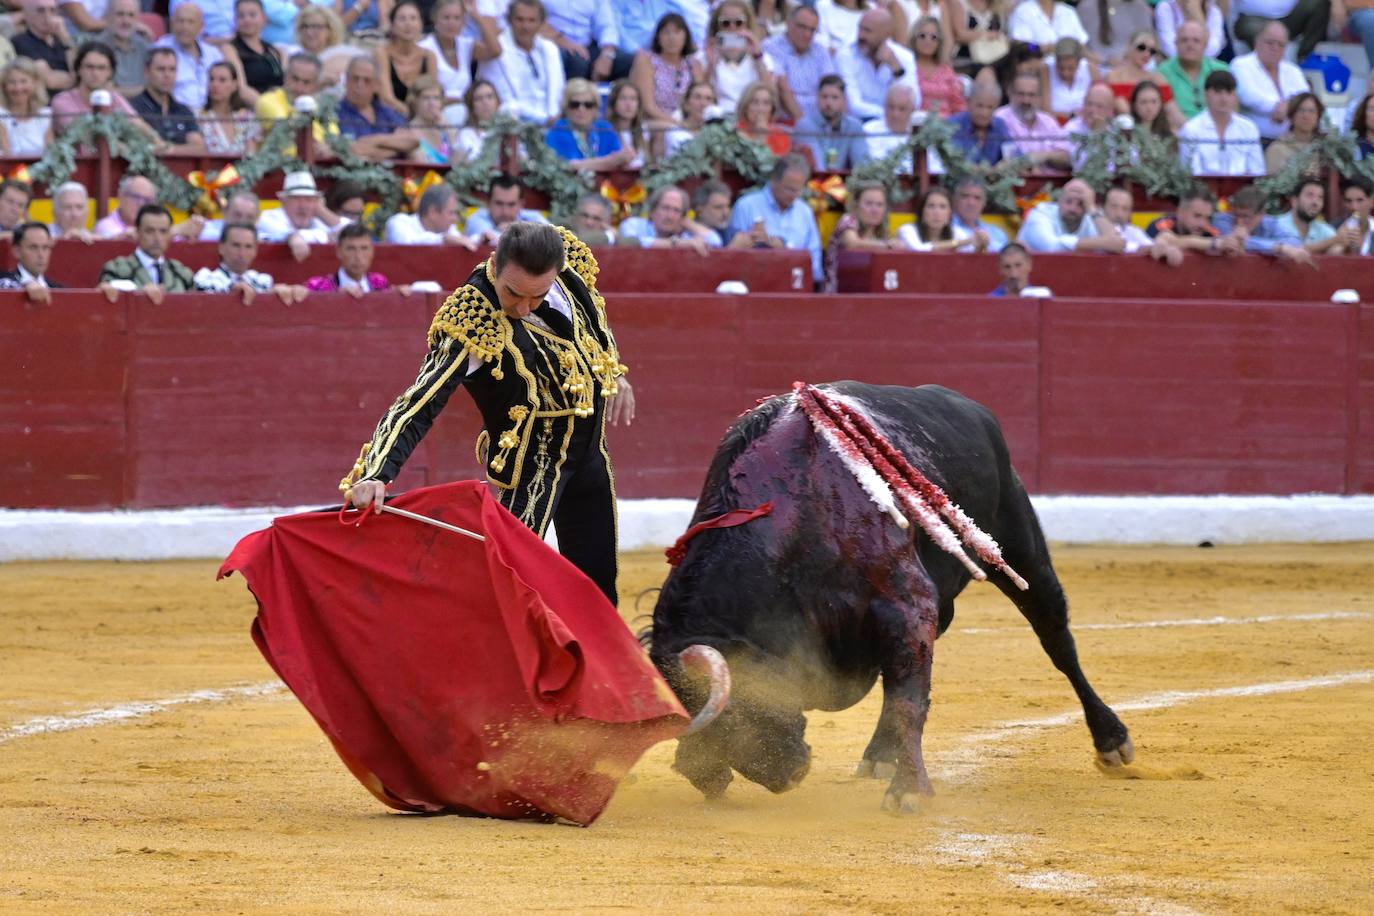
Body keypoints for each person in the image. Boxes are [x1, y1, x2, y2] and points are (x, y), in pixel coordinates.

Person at [340, 222, 635, 604]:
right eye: (513, 293)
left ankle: (600, 664)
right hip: (529, 467)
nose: (524, 308)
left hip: (591, 454)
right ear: (495, 265)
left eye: (537, 296)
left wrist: (610, 371)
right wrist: (378, 472)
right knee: (508, 582)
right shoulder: (472, 318)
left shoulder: (569, 266)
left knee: (597, 583)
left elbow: (592, 320)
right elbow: (418, 402)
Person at [727, 152, 823, 283]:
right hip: (755, 284)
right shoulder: (747, 206)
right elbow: (734, 256)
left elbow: (814, 258)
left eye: (798, 190)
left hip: (796, 287)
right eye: (789, 189)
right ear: (774, 181)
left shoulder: (805, 211)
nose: (793, 195)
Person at [477, 0, 564, 125]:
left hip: (552, 125)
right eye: (520, 20)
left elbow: (558, 92)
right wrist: (543, 119)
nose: (525, 26)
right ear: (509, 21)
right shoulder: (496, 51)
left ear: (541, 23)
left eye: (531, 20)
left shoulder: (550, 49)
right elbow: (502, 99)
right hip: (511, 125)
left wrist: (553, 119)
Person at [420, 0, 500, 127]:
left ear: (463, 22)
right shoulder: (425, 47)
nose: (451, 23)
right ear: (435, 20)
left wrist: (477, 17)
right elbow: (429, 91)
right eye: (446, 18)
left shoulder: (465, 44)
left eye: (457, 18)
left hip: (468, 110)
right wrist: (455, 101)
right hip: (439, 112)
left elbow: (495, 50)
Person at [97, 204, 196, 304]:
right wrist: (140, 292)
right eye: (149, 231)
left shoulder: (182, 273)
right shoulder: (116, 269)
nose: (157, 238)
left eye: (163, 231)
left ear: (170, 234)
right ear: (137, 232)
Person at [50, 40, 150, 136]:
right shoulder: (62, 101)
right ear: (79, 70)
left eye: (101, 68)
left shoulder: (113, 98)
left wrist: (161, 145)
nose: (95, 73)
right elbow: (83, 136)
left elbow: (139, 125)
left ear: (110, 72)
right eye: (90, 67)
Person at [835, 7, 919, 122]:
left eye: (867, 31)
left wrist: (896, 70)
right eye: (860, 29)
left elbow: (915, 102)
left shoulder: (905, 57)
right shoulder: (846, 56)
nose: (861, 35)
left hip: (895, 126)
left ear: (886, 34)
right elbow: (853, 105)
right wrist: (893, 114)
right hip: (859, 126)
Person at [194, 221, 308, 305]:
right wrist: (234, 291)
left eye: (248, 246)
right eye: (236, 245)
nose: (242, 253)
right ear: (221, 248)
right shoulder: (205, 277)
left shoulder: (262, 280)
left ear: (255, 251)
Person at [152, 3, 238, 112]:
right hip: (178, 115)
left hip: (211, 114)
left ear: (201, 26)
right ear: (172, 24)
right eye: (180, 21)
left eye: (190, 22)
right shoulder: (160, 49)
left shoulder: (213, 53)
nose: (185, 27)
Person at [1232, 21, 1309, 142]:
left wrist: (1286, 108)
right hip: (1255, 140)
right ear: (1257, 42)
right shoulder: (1241, 64)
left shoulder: (1293, 70)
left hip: (1291, 141)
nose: (1275, 48)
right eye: (1270, 43)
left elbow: (1304, 98)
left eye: (1281, 45)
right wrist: (1278, 107)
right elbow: (1247, 95)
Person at [1178, 70, 1264, 176]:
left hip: (1242, 190)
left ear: (1235, 96)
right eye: (1217, 92)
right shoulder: (1191, 129)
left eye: (1229, 93)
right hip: (1202, 191)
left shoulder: (1249, 128)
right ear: (1206, 94)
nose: (1223, 99)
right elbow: (1190, 173)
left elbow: (1257, 171)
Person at [631, 12, 705, 132]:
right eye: (666, 32)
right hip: (654, 121)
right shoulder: (646, 62)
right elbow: (648, 107)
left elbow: (701, 98)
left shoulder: (693, 64)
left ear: (685, 36)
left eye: (677, 32)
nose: (672, 38)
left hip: (686, 121)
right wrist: (678, 124)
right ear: (658, 37)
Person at [336, 55, 419, 161]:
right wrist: (395, 148)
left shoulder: (386, 112)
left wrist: (375, 140)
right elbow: (353, 150)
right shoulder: (334, 112)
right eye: (355, 79)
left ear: (376, 85)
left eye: (367, 80)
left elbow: (411, 141)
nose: (359, 85)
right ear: (346, 80)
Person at [823, 180, 901, 291]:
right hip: (837, 296)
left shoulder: (882, 233)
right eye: (869, 204)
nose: (874, 210)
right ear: (856, 205)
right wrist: (888, 245)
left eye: (879, 205)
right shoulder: (848, 220)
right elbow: (853, 244)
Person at [762, 4, 835, 122]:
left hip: (820, 119)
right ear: (788, 23)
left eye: (812, 30)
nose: (807, 34)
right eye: (802, 27)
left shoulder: (820, 50)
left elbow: (831, 86)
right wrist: (803, 124)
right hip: (787, 119)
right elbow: (782, 89)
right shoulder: (772, 46)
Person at [257, 52, 338, 155]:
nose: (299, 88)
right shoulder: (267, 100)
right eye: (295, 79)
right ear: (285, 76)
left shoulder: (321, 106)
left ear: (316, 85)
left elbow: (334, 140)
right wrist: (322, 147)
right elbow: (289, 132)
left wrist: (329, 148)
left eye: (306, 82)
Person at [702, 1, 775, 114]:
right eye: (725, 23)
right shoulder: (702, 57)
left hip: (752, 117)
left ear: (747, 24)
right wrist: (711, 66)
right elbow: (698, 97)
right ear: (717, 25)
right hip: (718, 117)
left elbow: (771, 95)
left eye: (739, 22)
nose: (732, 27)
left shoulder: (763, 57)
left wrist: (757, 58)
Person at [133, 47, 208, 155]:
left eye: (172, 69)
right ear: (147, 71)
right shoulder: (133, 108)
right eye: (161, 69)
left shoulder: (183, 110)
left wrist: (169, 149)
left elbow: (199, 147)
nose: (167, 75)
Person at [546, 78, 634, 171]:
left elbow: (619, 159)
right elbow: (565, 166)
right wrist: (608, 162)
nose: (581, 109)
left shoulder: (604, 128)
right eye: (575, 105)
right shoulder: (559, 129)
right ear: (566, 108)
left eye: (588, 105)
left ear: (596, 108)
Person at [1211, 183, 1313, 262]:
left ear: (1261, 214)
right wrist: (1279, 248)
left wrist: (1252, 242)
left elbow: (1295, 242)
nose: (1239, 221)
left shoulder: (1270, 223)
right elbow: (1233, 243)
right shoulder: (1222, 220)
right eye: (1236, 215)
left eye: (1245, 216)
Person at [257, 171, 346, 261]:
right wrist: (326, 236)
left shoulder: (319, 220)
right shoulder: (269, 217)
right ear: (283, 201)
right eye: (296, 199)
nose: (303, 206)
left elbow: (352, 231)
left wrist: (322, 212)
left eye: (309, 199)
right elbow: (281, 233)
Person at [1018, 179, 1125, 252]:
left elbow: (1118, 242)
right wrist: (1102, 243)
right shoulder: (1040, 214)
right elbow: (1051, 247)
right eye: (1068, 202)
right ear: (1059, 201)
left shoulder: (1091, 216)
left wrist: (1092, 209)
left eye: (1080, 204)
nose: (1073, 209)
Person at [305, 223, 411, 295]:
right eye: (351, 249)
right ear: (339, 251)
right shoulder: (317, 286)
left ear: (372, 251)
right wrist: (336, 295)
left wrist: (398, 295)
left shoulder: (379, 283)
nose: (358, 256)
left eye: (364, 248)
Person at [996, 71, 1071, 170]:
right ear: (1010, 93)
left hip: (1050, 181)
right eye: (1021, 94)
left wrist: (1044, 156)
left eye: (1031, 95)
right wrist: (1028, 162)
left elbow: (1067, 158)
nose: (1026, 100)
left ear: (1039, 97)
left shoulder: (1048, 121)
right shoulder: (999, 118)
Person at [544, 0, 633, 83]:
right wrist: (563, 41)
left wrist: (607, 54)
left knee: (629, 62)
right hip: (554, 43)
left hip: (588, 44)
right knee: (578, 61)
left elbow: (607, 25)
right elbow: (536, 20)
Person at [375, 1, 437, 115]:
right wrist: (409, 114)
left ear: (421, 24)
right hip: (389, 114)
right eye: (402, 19)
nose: (408, 24)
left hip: (422, 117)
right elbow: (385, 97)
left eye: (413, 18)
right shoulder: (382, 53)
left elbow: (433, 93)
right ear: (392, 25)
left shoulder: (429, 56)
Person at [1157, 22, 1228, 122]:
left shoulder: (1221, 70)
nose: (1190, 45)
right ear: (1176, 44)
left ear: (1205, 45)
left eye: (1196, 41)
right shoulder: (1161, 73)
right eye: (1184, 40)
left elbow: (1231, 107)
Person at [619, 184, 719, 254]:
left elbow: (715, 241)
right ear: (653, 211)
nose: (670, 216)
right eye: (665, 208)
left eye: (676, 210)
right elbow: (632, 241)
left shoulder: (685, 236)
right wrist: (676, 243)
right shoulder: (635, 225)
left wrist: (688, 223)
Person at [795, 74, 867, 170]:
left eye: (835, 97)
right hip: (812, 181)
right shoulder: (804, 126)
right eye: (824, 97)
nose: (828, 103)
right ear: (817, 99)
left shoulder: (854, 126)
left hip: (843, 182)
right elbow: (817, 167)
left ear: (844, 100)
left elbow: (862, 164)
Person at [292, 5, 359, 96]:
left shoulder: (343, 54)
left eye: (316, 27)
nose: (309, 32)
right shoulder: (294, 54)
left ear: (330, 30)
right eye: (305, 26)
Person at [464, 174, 551, 244]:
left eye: (511, 204)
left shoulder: (533, 217)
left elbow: (555, 238)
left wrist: (514, 231)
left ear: (521, 205)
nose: (505, 211)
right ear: (488, 203)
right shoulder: (477, 219)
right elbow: (492, 241)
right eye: (499, 203)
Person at [199, 59, 262, 155]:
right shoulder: (199, 118)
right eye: (211, 79)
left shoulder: (248, 118)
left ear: (234, 85)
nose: (215, 85)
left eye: (222, 80)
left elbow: (252, 154)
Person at [385, 183, 478, 247]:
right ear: (433, 212)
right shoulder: (399, 222)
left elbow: (466, 242)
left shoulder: (449, 229)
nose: (455, 219)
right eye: (451, 213)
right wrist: (442, 239)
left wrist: (480, 239)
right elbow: (407, 243)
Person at [1233, 0, 1330, 61]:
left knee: (1319, 3)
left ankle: (1302, 57)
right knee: (1264, 36)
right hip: (1252, 18)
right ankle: (1271, 71)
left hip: (1289, 18)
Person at [13, 0, 74, 93]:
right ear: (27, 16)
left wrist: (66, 39)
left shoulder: (63, 39)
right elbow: (51, 81)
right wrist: (76, 78)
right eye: (41, 10)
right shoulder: (21, 42)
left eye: (52, 10)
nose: (48, 16)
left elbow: (83, 72)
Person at [229, 0, 284, 103]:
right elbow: (241, 89)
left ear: (264, 18)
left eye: (252, 15)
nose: (247, 20)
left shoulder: (274, 50)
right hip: (253, 109)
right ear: (235, 20)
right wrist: (269, 109)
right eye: (241, 16)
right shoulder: (230, 49)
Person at [897, 185, 982, 251]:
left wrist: (981, 245)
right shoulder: (907, 230)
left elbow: (971, 253)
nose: (937, 212)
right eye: (931, 206)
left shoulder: (957, 232)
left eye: (943, 207)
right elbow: (919, 249)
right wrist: (958, 243)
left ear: (950, 213)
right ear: (921, 212)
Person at [1145, 185, 1222, 255]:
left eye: (1208, 218)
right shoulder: (1160, 226)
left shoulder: (1210, 232)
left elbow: (1222, 246)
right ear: (1180, 213)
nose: (1203, 224)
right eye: (1197, 216)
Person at [0, 58, 54, 157]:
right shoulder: (1, 115)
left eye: (23, 81)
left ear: (34, 83)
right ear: (4, 86)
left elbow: (50, 153)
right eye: (12, 82)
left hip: (41, 170)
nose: (18, 88)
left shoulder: (45, 114)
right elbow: (8, 156)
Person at [912, 16, 965, 116]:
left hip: (945, 125)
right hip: (915, 125)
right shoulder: (908, 67)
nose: (928, 41)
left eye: (934, 37)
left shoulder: (946, 71)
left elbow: (958, 105)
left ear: (939, 42)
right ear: (914, 39)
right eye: (922, 36)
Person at [859, 82, 918, 172]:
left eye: (901, 109)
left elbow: (935, 169)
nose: (895, 114)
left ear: (912, 110)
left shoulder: (922, 133)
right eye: (891, 107)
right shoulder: (869, 130)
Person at [95, 0, 149, 95]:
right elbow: (102, 91)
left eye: (131, 15)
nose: (126, 21)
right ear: (108, 16)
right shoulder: (96, 48)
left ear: (137, 19)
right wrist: (142, 90)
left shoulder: (145, 47)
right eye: (120, 14)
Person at [949, 81, 1011, 164]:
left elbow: (1013, 154)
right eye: (979, 106)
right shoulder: (952, 124)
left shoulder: (1000, 124)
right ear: (968, 103)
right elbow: (953, 160)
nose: (984, 113)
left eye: (990, 107)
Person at [1078, 0, 1156, 65]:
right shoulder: (1086, 7)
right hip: (1095, 65)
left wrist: (1127, 57)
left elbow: (1147, 39)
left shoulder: (1139, 6)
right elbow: (1079, 44)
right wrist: (1098, 60)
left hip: (1131, 63)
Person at [0, 221, 61, 303]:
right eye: (33, 247)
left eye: (45, 247)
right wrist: (23, 286)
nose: (41, 254)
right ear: (17, 251)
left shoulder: (59, 289)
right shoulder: (4, 282)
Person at [1274, 177, 1339, 251]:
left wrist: (1346, 242)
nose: (1315, 202)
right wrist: (1334, 240)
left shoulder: (1323, 229)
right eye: (1309, 195)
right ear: (1294, 201)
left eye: (1320, 197)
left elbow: (1338, 250)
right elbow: (1294, 251)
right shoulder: (1276, 225)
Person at [408, 76, 461, 165]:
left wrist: (449, 130)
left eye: (436, 98)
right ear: (415, 101)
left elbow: (462, 164)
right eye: (426, 98)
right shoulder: (408, 131)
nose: (431, 103)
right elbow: (422, 165)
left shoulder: (446, 127)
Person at [951, 175, 1008, 251]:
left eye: (977, 198)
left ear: (984, 203)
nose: (971, 203)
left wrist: (988, 244)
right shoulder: (944, 230)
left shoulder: (997, 233)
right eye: (965, 196)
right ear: (955, 200)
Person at [661, 79, 716, 157]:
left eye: (708, 99)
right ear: (686, 104)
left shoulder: (718, 133)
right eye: (697, 97)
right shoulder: (674, 132)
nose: (703, 103)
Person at [1155, 0, 1226, 59]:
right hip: (1173, 65)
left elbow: (1213, 49)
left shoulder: (1213, 11)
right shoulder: (1166, 7)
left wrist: (1197, 15)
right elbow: (1170, 50)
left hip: (1204, 66)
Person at [736, 79, 791, 154]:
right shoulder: (734, 134)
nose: (761, 109)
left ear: (772, 109)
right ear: (745, 106)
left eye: (766, 103)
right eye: (755, 102)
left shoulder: (781, 136)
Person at [93, 173, 154, 239]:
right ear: (121, 196)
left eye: (147, 200)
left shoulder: (155, 227)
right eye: (135, 197)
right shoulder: (104, 226)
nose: (141, 204)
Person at [1006, 0, 1089, 47]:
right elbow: (1022, 46)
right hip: (1037, 67)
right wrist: (1040, 49)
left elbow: (1082, 43)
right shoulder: (1023, 11)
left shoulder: (1068, 11)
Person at [1047, 37, 1094, 118]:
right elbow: (1046, 112)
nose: (1065, 73)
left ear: (1079, 63)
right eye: (1061, 68)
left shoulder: (1090, 69)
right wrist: (1073, 115)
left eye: (1071, 68)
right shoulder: (1046, 70)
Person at [608, 78, 649, 166]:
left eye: (633, 99)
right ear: (613, 103)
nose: (628, 104)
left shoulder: (644, 130)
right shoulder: (605, 131)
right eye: (623, 98)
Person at [456, 78, 501, 161]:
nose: (485, 102)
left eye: (490, 97)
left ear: (497, 102)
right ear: (472, 107)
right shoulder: (466, 134)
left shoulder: (508, 130)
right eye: (479, 99)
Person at [1331, 177, 1374, 255]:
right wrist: (1339, 242)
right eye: (1348, 201)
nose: (1354, 207)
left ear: (1372, 202)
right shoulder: (1333, 228)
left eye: (1360, 200)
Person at [688, 178, 734, 243]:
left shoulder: (732, 234)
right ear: (700, 209)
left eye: (728, 206)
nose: (726, 213)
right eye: (718, 207)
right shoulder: (686, 234)